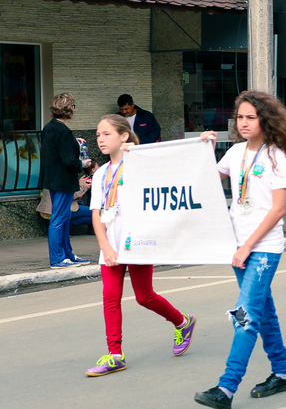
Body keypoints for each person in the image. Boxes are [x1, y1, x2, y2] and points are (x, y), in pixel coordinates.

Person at [195, 90, 286, 409]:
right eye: (239, 117)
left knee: (245, 315)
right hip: (238, 246)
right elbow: (206, 182)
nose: (243, 123)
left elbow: (278, 209)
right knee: (262, 311)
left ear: (265, 120)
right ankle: (282, 372)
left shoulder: (276, 157)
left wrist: (247, 247)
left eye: (250, 117)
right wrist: (204, 149)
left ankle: (226, 388)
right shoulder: (235, 152)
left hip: (262, 249)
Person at [85, 114, 196, 377]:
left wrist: (137, 153)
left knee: (144, 296)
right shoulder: (100, 174)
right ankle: (115, 355)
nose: (100, 139)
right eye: (98, 134)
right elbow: (96, 214)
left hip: (138, 241)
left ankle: (182, 322)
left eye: (107, 134)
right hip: (111, 244)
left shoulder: (140, 164)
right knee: (110, 298)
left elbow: (169, 169)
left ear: (124, 136)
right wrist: (105, 247)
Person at [43, 93, 91, 268]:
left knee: (62, 218)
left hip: (53, 179)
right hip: (63, 180)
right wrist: (84, 163)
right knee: (59, 219)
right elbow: (69, 160)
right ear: (71, 108)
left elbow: (55, 151)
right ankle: (58, 258)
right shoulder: (63, 130)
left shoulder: (49, 127)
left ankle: (67, 255)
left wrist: (74, 143)